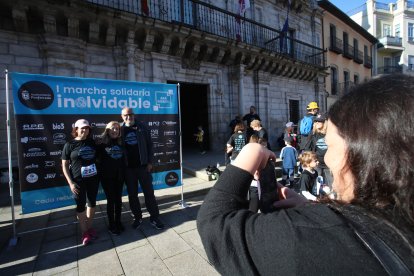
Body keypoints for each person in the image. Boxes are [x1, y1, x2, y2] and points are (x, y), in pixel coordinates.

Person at [197, 75, 414, 275]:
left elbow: (214, 225)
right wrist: (310, 208)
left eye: (329, 144)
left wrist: (249, 154)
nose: (326, 157)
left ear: (358, 154)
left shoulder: (304, 239)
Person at [120, 107, 164, 230]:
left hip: (143, 167)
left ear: (134, 115)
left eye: (130, 114)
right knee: (132, 195)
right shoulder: (120, 129)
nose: (128, 117)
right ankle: (137, 218)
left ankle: (154, 218)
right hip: (128, 169)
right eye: (125, 115)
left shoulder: (142, 127)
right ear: (122, 117)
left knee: (149, 193)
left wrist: (150, 162)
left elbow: (150, 145)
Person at [62, 119, 99, 246]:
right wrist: (70, 183)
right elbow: (64, 165)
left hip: (93, 179)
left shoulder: (92, 142)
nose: (85, 130)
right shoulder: (69, 145)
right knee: (80, 206)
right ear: (76, 130)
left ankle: (88, 228)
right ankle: (84, 233)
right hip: (78, 181)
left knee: (92, 203)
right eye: (82, 128)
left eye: (87, 128)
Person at [97, 121, 125, 235]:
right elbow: (97, 160)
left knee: (118, 200)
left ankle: (118, 221)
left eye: (117, 129)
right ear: (107, 130)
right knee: (111, 200)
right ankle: (111, 224)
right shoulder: (101, 144)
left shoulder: (121, 142)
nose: (115, 131)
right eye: (113, 129)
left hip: (119, 176)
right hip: (107, 177)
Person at [309, 113, 333, 190]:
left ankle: (331, 199)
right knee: (317, 184)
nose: (317, 123)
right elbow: (309, 147)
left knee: (330, 183)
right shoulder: (313, 134)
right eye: (316, 121)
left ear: (324, 123)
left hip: (328, 163)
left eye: (320, 121)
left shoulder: (330, 133)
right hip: (317, 162)